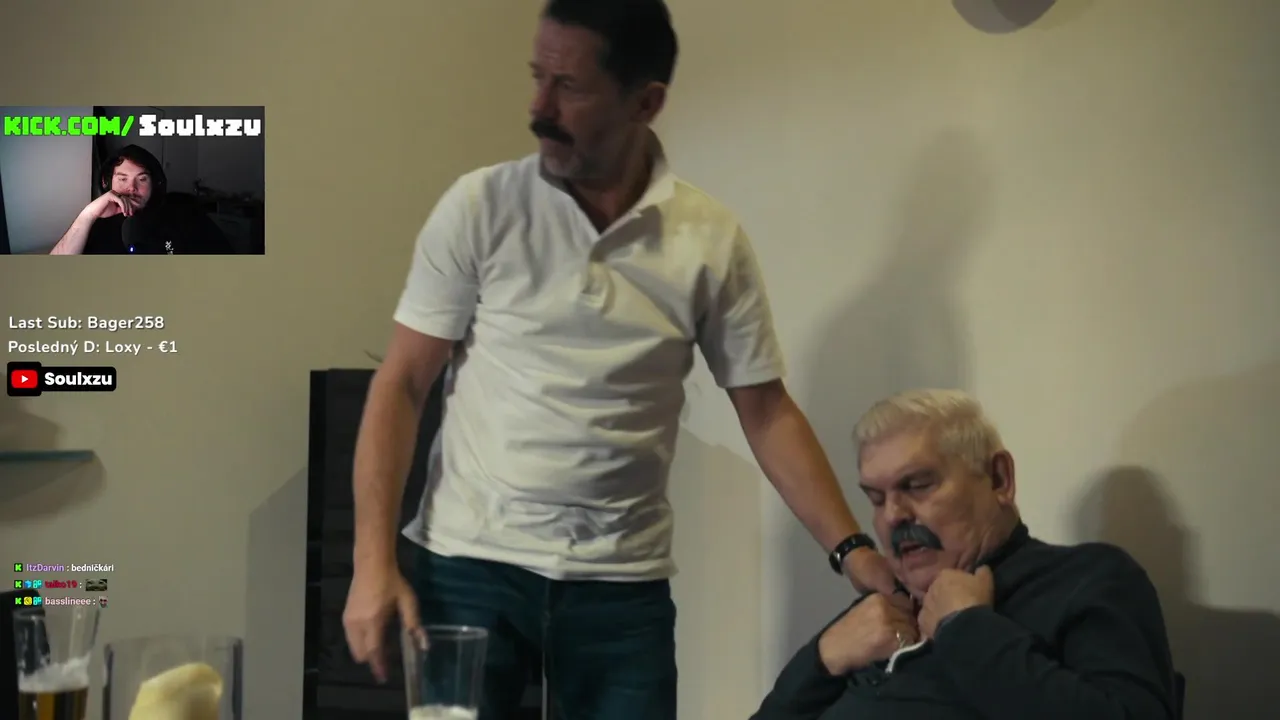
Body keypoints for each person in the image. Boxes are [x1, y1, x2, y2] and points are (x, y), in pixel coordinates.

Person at [341, 0, 899, 717]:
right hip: (468, 567)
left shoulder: (708, 239)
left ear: (646, 102)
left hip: (621, 586)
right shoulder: (480, 205)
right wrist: (371, 562)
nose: (539, 108)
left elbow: (766, 412)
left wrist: (852, 549)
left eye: (569, 86)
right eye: (537, 77)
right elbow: (401, 385)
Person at [752, 389, 1179, 720]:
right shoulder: (877, 612)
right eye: (876, 499)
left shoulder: (1086, 580)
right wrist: (823, 658)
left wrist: (966, 628)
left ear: (999, 479)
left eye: (917, 485)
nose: (894, 515)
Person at [49, 144, 231, 254]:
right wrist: (87, 215)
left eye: (142, 179)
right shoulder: (96, 222)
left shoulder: (183, 213)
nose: (132, 188)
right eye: (122, 179)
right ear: (107, 182)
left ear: (155, 183)